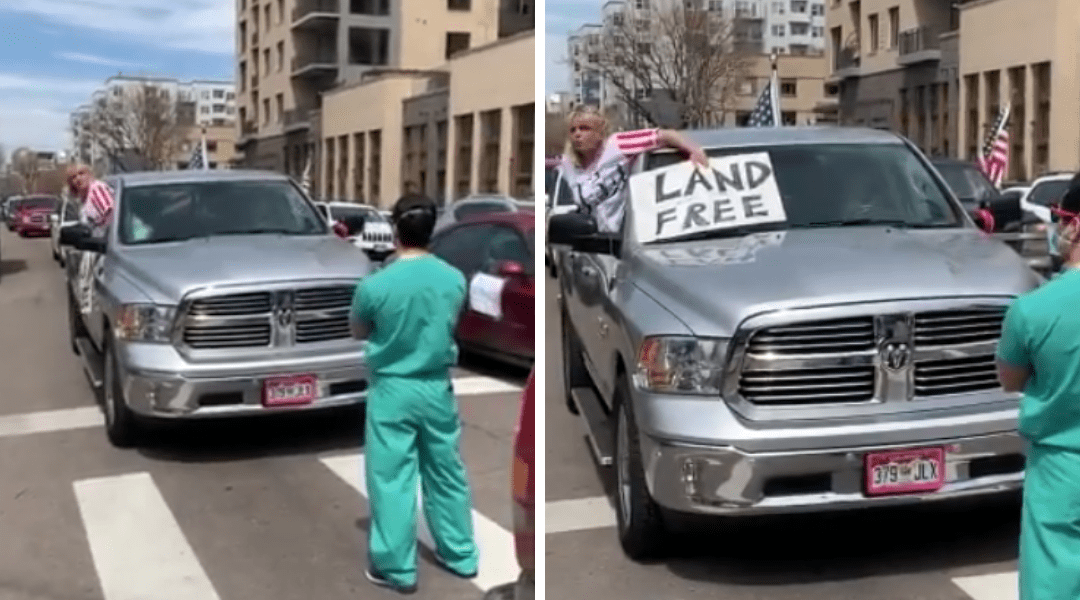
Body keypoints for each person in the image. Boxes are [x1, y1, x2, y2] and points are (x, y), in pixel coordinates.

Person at [349, 193, 478, 595]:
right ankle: (460, 553)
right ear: (432, 229)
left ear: (394, 229)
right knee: (446, 471)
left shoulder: (375, 285)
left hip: (392, 387)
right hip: (436, 385)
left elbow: (358, 330)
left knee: (391, 478)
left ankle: (397, 567)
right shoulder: (454, 278)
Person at [996, 172, 1080, 600]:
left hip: (1062, 470)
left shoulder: (1032, 310)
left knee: (1054, 582)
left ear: (1076, 226)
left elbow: (1010, 379)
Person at [559, 104, 709, 233]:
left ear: (600, 132)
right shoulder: (569, 165)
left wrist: (694, 150)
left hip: (622, 239)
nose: (577, 134)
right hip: (592, 243)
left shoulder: (617, 145)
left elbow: (664, 135)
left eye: (584, 128)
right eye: (573, 130)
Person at [66, 164, 114, 315]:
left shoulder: (97, 189)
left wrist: (101, 239)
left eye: (81, 173)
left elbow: (112, 213)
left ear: (89, 174)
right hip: (100, 245)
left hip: (107, 246)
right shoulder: (84, 197)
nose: (78, 179)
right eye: (73, 177)